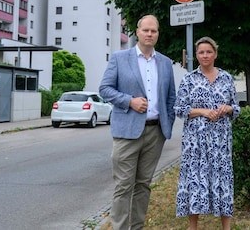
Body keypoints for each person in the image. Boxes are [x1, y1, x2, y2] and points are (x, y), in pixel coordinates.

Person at [99, 14, 177, 230]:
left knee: (143, 185)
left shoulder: (165, 62)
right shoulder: (119, 58)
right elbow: (104, 89)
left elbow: (170, 97)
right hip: (127, 132)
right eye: (146, 30)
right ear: (137, 31)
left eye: (154, 31)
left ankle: (137, 226)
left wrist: (165, 125)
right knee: (124, 186)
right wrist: (129, 101)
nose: (150, 34)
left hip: (155, 133)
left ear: (158, 34)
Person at [174, 36, 241, 230]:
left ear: (215, 54)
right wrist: (203, 111)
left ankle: (226, 227)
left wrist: (227, 109)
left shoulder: (227, 78)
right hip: (195, 142)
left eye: (208, 52)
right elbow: (179, 108)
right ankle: (193, 226)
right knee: (195, 180)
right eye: (201, 52)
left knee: (223, 180)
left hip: (221, 141)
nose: (205, 55)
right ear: (196, 55)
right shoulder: (189, 79)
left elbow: (236, 108)